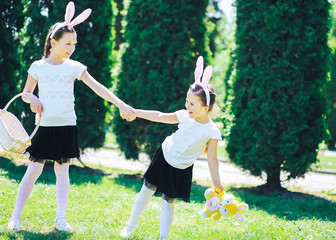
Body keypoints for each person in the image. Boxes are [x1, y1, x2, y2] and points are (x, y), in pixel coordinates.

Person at [7, 2, 135, 232]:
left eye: (74, 44)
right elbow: (26, 93)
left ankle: (61, 219)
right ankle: (15, 217)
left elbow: (99, 88)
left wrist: (120, 104)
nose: (71, 48)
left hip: (67, 126)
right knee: (33, 170)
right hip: (44, 126)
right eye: (67, 44)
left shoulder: (74, 67)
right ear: (53, 42)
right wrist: (32, 99)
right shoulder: (37, 66)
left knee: (62, 171)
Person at [120, 56, 224, 240]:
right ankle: (131, 225)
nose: (187, 106)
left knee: (169, 201)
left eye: (192, 104)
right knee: (147, 189)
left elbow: (212, 159)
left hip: (182, 167)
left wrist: (217, 182)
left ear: (206, 107)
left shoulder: (212, 131)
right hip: (165, 155)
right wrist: (138, 112)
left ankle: (163, 237)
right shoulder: (184, 115)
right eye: (187, 101)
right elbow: (160, 115)